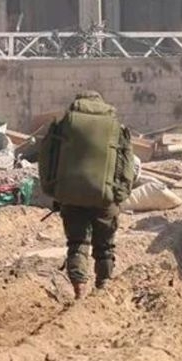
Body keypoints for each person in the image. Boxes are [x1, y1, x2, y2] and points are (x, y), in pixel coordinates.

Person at [38, 91, 135, 300]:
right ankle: (103, 288)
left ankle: (79, 291)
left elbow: (47, 156)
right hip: (105, 197)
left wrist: (52, 189)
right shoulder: (115, 126)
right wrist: (121, 193)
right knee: (105, 246)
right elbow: (127, 163)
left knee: (77, 243)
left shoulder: (64, 124)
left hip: (70, 196)